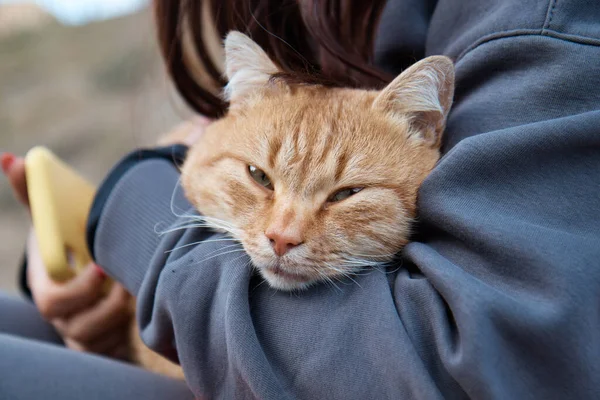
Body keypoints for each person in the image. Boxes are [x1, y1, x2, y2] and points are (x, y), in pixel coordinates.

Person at [2, 0, 600, 398]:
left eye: (345, 195)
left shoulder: (541, 31)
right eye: (263, 181)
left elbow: (450, 363)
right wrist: (87, 255)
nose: (284, 231)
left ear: (426, 133)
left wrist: (129, 204)